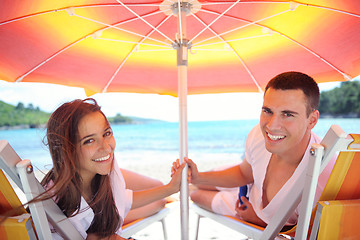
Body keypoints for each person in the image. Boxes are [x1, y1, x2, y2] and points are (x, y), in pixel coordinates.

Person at [177, 71, 335, 228]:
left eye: (287, 114)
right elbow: (244, 173)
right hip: (248, 192)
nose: (272, 126)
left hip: (250, 211)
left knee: (195, 194)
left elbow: (308, 233)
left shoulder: (321, 176)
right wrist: (197, 178)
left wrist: (258, 220)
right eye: (268, 111)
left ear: (312, 120)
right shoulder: (259, 136)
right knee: (193, 185)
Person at [41, 98, 185, 240]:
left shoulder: (100, 175)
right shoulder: (62, 208)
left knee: (160, 201)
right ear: (67, 150)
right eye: (89, 140)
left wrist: (171, 188)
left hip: (102, 215)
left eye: (106, 133)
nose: (106, 147)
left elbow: (122, 198)